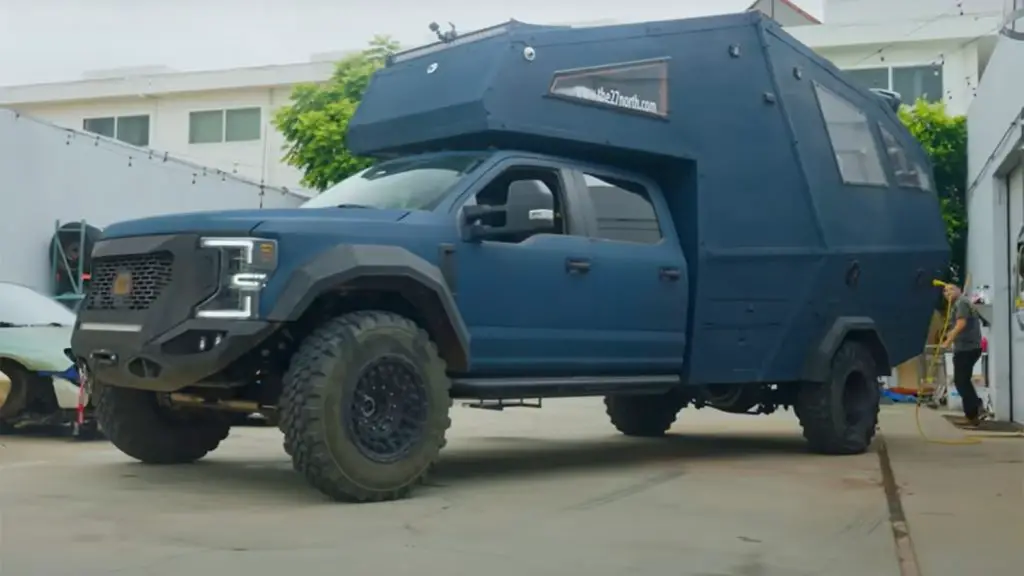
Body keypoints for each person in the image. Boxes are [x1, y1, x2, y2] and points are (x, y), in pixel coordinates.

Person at [940, 284, 986, 426]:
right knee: (962, 380)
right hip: (967, 347)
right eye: (945, 291)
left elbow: (961, 324)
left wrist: (948, 341)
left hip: (967, 348)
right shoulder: (960, 303)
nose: (948, 293)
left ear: (959, 290)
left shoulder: (961, 302)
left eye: (951, 289)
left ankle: (976, 407)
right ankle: (972, 415)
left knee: (961, 381)